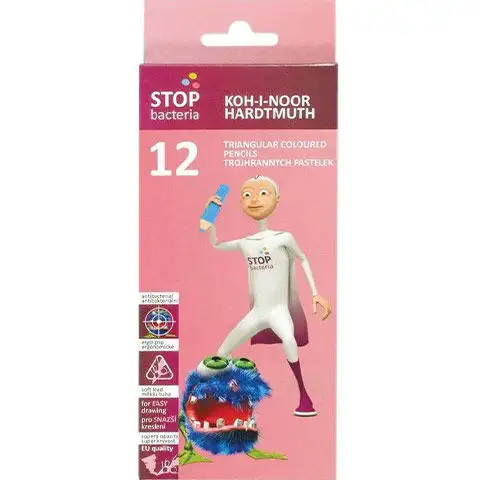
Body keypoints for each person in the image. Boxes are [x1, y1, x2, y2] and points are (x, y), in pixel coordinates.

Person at [201, 175, 331, 416]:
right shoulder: (245, 242)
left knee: (289, 340)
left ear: (277, 199)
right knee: (221, 354)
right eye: (247, 195)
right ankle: (229, 396)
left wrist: (316, 294)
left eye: (262, 193)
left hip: (278, 311)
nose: (254, 200)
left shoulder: (283, 238)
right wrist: (211, 222)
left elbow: (303, 259)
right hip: (257, 313)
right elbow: (216, 244)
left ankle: (304, 397)